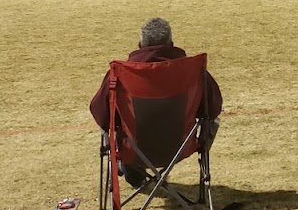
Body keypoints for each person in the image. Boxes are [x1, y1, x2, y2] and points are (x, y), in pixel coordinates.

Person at [89, 17, 223, 186]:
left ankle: (132, 169)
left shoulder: (120, 75)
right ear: (171, 44)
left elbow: (101, 113)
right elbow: (213, 108)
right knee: (214, 121)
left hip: (133, 150)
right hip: (181, 148)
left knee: (113, 127)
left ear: (140, 45)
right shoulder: (194, 71)